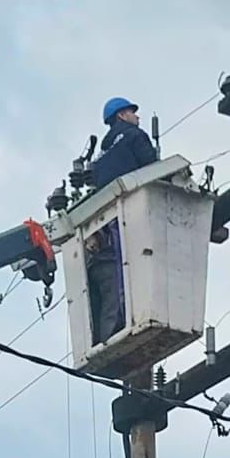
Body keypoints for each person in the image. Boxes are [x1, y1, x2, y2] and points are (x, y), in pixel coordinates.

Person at [85, 97, 158, 345]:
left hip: (107, 221)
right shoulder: (135, 136)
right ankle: (127, 324)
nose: (137, 117)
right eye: (132, 112)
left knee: (118, 271)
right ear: (120, 116)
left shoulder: (100, 155)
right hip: (133, 213)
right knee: (131, 269)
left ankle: (109, 334)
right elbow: (154, 170)